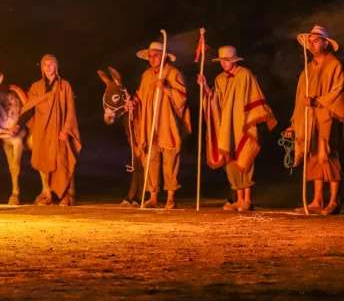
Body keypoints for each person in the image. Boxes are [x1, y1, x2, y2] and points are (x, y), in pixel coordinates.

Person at [199, 46, 277, 211]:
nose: (224, 64)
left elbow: (254, 96)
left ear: (234, 59)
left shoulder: (245, 74)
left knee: (244, 157)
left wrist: (250, 120)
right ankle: (238, 199)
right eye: (222, 61)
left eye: (227, 60)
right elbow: (215, 100)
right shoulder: (220, 79)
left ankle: (247, 199)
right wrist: (206, 87)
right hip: (227, 126)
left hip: (242, 124)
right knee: (229, 160)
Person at [285, 26, 344, 215]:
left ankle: (334, 201)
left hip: (327, 117)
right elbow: (300, 97)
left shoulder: (335, 65)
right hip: (309, 119)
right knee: (312, 156)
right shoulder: (308, 69)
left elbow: (338, 91)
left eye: (316, 40)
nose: (311, 44)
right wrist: (295, 123)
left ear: (326, 43)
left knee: (328, 155)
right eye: (309, 41)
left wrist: (318, 101)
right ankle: (317, 199)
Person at [126, 42, 191, 209]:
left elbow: (182, 97)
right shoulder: (146, 75)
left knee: (170, 159)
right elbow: (140, 97)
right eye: (150, 56)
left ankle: (170, 197)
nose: (152, 59)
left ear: (164, 56)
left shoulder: (173, 73)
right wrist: (132, 103)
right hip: (149, 123)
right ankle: (153, 196)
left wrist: (165, 88)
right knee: (151, 159)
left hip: (166, 123)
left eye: (155, 55)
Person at [27, 54, 81, 206]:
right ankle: (48, 195)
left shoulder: (65, 86)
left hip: (59, 130)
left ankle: (64, 196)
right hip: (41, 131)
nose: (48, 67)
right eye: (45, 65)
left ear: (56, 67)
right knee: (43, 161)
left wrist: (66, 129)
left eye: (51, 64)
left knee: (62, 160)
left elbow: (70, 110)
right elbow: (29, 108)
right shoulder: (35, 87)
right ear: (42, 68)